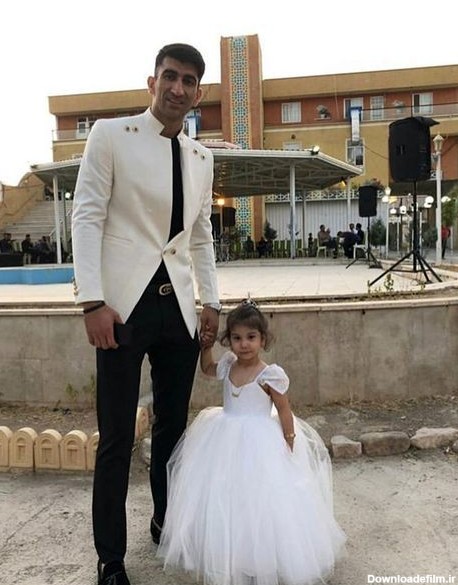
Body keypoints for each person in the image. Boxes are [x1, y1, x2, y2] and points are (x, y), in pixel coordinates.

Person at [71, 43, 221, 585]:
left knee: (173, 429)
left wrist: (211, 302)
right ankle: (110, 558)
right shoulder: (111, 135)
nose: (177, 88)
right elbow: (87, 216)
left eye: (188, 81)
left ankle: (165, 522)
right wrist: (92, 300)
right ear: (152, 82)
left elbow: (200, 235)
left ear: (198, 93)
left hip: (178, 310)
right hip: (121, 309)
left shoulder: (202, 157)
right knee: (115, 437)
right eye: (170, 76)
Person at [157, 299, 346, 585]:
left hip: (260, 442)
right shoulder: (228, 364)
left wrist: (289, 439)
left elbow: (283, 409)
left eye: (251, 337)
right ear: (229, 340)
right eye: (236, 338)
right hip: (224, 437)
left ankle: (262, 557)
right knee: (226, 495)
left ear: (263, 340)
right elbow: (208, 369)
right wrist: (205, 348)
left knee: (261, 498)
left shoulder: (269, 375)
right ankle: (231, 554)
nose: (244, 344)